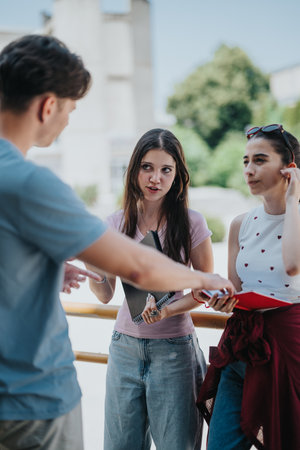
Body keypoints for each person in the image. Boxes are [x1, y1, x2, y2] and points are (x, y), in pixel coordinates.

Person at [0, 35, 234, 450]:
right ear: (48, 106)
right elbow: (137, 269)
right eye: (71, 109)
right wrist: (206, 277)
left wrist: (45, 268)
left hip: (166, 353)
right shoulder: (34, 183)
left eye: (166, 170)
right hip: (33, 395)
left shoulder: (191, 222)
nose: (69, 121)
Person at [88, 128, 218, 450]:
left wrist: (167, 309)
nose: (155, 178)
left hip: (175, 352)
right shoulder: (115, 223)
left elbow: (206, 287)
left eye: (166, 169)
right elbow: (105, 294)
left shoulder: (192, 222)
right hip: (124, 349)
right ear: (134, 171)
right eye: (147, 167)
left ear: (178, 176)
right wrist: (92, 262)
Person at [197, 124, 300, 450]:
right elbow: (235, 289)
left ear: (289, 166)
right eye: (245, 161)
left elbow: (293, 265)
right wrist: (222, 300)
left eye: (259, 160)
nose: (249, 169)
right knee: (221, 444)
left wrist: (294, 198)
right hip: (241, 342)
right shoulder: (241, 223)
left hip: (288, 349)